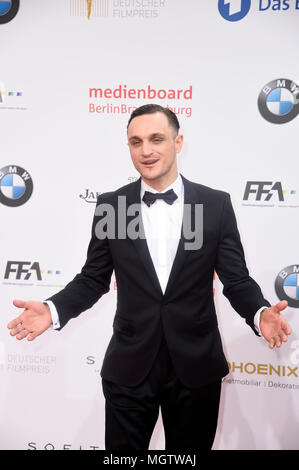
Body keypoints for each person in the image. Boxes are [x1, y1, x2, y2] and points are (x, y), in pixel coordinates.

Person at [7, 104, 291, 451]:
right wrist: (53, 310)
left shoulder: (213, 205)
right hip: (129, 366)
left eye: (156, 139)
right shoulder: (113, 206)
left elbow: (236, 280)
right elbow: (93, 278)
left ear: (178, 141)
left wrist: (259, 313)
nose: (146, 150)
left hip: (196, 367)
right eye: (135, 142)